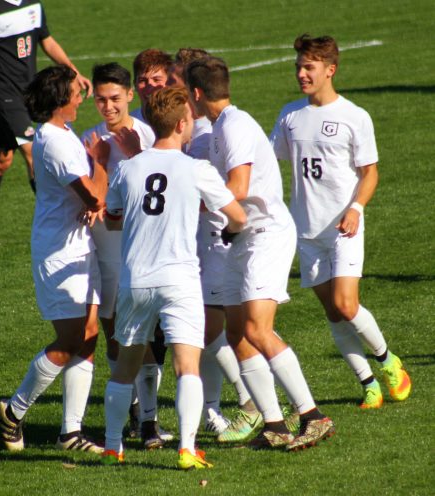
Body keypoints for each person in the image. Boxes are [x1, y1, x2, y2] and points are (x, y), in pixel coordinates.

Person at [186, 56, 334, 451]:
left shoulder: (235, 126)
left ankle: (312, 416)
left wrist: (191, 204)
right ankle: (275, 425)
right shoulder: (221, 126)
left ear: (196, 94)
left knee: (257, 330)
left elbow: (237, 186)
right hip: (243, 236)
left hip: (266, 235)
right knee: (236, 332)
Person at [101, 86, 246, 469]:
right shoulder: (196, 169)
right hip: (179, 281)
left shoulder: (127, 168)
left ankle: (113, 445)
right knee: (187, 366)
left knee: (125, 367)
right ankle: (186, 448)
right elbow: (239, 216)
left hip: (136, 281)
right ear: (182, 123)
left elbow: (112, 216)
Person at [269, 34, 411, 409]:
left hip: (344, 227)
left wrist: (356, 208)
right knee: (332, 311)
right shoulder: (290, 115)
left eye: (309, 67)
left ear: (330, 70)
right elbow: (269, 164)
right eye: (299, 66)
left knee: (347, 304)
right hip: (306, 230)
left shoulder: (354, 116)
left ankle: (388, 361)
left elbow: (370, 173)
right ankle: (368, 383)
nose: (301, 73)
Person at [0, 65, 106, 454]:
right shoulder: (55, 142)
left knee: (88, 337)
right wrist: (101, 161)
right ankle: (14, 412)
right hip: (59, 253)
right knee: (72, 337)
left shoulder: (62, 132)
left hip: (77, 246)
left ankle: (70, 433)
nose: (82, 96)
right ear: (60, 100)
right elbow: (93, 196)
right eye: (76, 91)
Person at [80, 62, 170, 449]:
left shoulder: (148, 136)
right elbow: (86, 193)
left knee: (145, 337)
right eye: (101, 99)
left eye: (115, 98)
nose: (108, 106)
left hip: (145, 254)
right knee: (116, 338)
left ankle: (149, 421)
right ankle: (135, 413)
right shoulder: (89, 139)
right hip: (106, 255)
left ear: (130, 96)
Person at [170, 48, 258, 438]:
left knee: (215, 329)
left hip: (219, 238)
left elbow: (218, 191)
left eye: (177, 81)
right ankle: (217, 407)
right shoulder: (208, 124)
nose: (176, 89)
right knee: (209, 330)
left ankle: (251, 403)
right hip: (206, 239)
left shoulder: (208, 130)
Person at [0, 0, 92, 246]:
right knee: (32, 151)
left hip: (30, 94)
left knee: (0, 162)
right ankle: (59, 223)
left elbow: (47, 40)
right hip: (3, 96)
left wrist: (73, 73)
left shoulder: (33, 4)